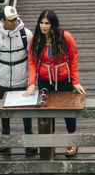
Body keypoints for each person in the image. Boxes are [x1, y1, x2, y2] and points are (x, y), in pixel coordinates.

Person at [25, 10, 86, 157]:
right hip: (45, 79)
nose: (43, 26)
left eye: (47, 23)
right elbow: (32, 61)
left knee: (68, 111)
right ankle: (49, 142)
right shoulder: (37, 39)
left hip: (64, 79)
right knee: (46, 111)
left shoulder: (65, 37)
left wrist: (76, 81)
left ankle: (72, 139)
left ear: (53, 24)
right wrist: (32, 83)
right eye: (41, 23)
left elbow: (73, 58)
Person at [0, 5, 36, 155]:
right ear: (3, 21)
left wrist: (32, 82)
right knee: (5, 114)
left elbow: (33, 59)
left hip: (22, 81)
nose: (15, 22)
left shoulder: (26, 34)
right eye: (11, 20)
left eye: (16, 19)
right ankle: (6, 140)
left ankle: (29, 142)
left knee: (26, 113)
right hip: (3, 81)